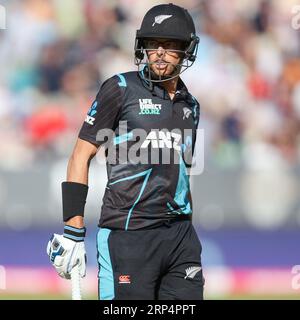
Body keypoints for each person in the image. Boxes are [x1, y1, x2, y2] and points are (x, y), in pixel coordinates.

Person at [47, 3, 204, 300]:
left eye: (170, 45)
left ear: (186, 50)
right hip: (127, 235)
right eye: (152, 44)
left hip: (180, 238)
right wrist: (73, 232)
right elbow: (80, 155)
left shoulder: (190, 106)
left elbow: (181, 176)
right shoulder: (120, 88)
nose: (159, 52)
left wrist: (187, 231)